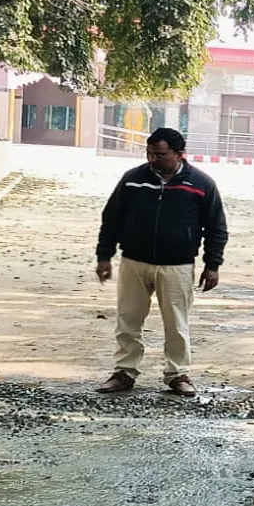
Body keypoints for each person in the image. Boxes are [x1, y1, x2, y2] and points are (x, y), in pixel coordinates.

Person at [95, 127, 228, 396]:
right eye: (150, 153)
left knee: (177, 323)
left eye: (161, 154)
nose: (153, 159)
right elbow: (111, 219)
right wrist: (104, 256)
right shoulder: (132, 180)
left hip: (177, 265)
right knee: (128, 319)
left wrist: (213, 264)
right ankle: (124, 372)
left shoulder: (201, 184)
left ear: (179, 154)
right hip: (134, 261)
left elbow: (216, 227)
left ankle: (177, 374)